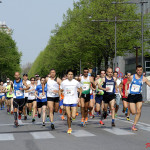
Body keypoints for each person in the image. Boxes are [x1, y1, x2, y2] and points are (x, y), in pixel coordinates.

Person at [125, 65, 150, 131]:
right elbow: (126, 84)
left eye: (141, 70)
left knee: (139, 111)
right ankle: (130, 110)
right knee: (133, 112)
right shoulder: (132, 77)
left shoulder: (144, 78)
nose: (139, 71)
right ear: (136, 70)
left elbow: (149, 84)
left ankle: (134, 125)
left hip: (139, 96)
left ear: (142, 70)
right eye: (138, 70)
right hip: (131, 96)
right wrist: (126, 91)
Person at [60, 69, 82, 134]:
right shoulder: (64, 82)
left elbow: (80, 89)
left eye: (71, 74)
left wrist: (79, 97)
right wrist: (61, 95)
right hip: (66, 100)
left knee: (73, 116)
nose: (70, 76)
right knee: (68, 116)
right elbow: (60, 90)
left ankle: (71, 119)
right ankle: (69, 128)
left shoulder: (76, 82)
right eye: (69, 74)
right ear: (67, 75)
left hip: (74, 100)